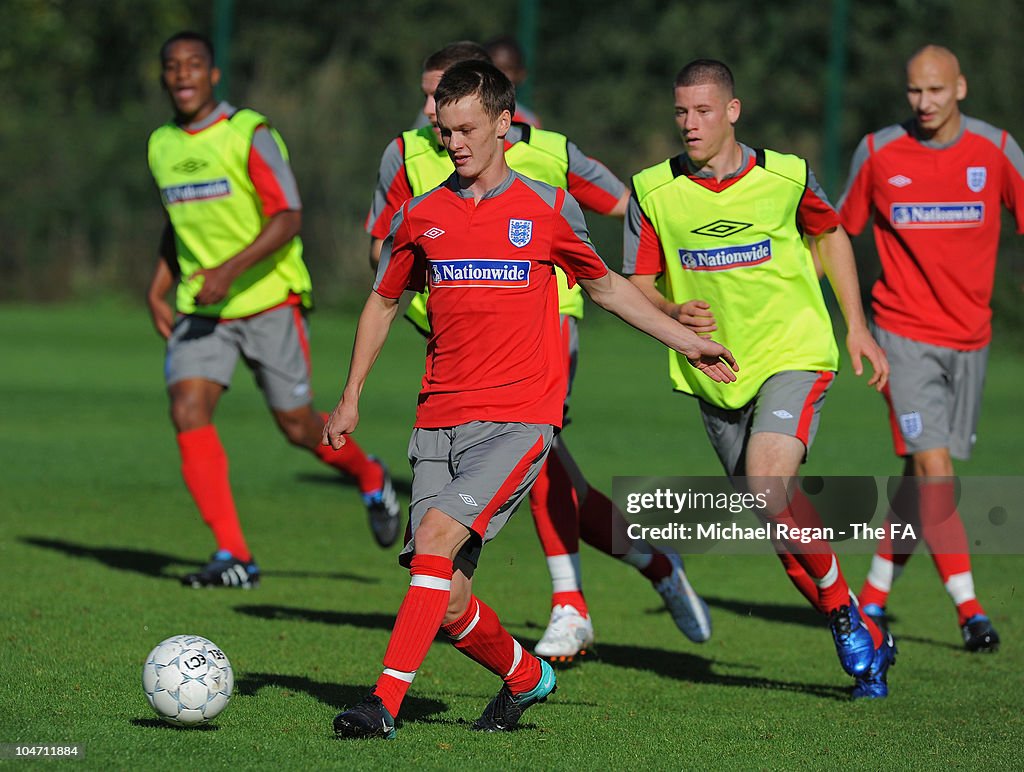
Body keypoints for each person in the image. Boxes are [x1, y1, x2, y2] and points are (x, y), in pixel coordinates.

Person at [326, 59, 737, 739]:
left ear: (503, 124)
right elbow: (383, 299)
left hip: (518, 420)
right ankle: (524, 676)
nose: (453, 143)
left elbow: (604, 286)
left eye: (466, 129)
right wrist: (350, 396)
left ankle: (382, 705)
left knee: (431, 543)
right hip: (438, 420)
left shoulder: (546, 206)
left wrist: (683, 341)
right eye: (444, 129)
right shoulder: (421, 215)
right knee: (449, 596)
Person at [624, 59, 896, 698]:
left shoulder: (787, 177)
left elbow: (831, 236)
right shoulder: (653, 191)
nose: (690, 125)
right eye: (681, 113)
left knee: (768, 481)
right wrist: (670, 310)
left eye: (703, 111)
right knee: (777, 524)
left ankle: (845, 611)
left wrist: (856, 325)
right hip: (716, 374)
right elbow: (637, 284)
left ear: (733, 111)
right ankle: (861, 633)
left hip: (793, 354)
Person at [145, 31, 401, 588]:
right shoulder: (161, 144)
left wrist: (228, 273)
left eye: (194, 65)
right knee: (187, 408)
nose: (183, 74)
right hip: (203, 306)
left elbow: (287, 215)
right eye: (172, 66)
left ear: (213, 75)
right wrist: (156, 288)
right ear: (163, 77)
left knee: (295, 424)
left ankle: (369, 473)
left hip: (267, 300)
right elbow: (178, 222)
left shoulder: (247, 133)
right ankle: (234, 555)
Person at [838, 44, 1024, 652]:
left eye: (937, 91)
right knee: (936, 470)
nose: (924, 103)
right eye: (915, 91)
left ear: (961, 89)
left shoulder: (995, 151)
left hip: (970, 339)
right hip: (903, 335)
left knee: (921, 478)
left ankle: (872, 596)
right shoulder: (878, 151)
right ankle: (970, 610)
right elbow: (836, 231)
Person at [485, 34, 542, 127]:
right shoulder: (462, 111)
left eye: (507, 69)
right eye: (493, 68)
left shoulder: (528, 122)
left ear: (521, 74)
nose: (499, 75)